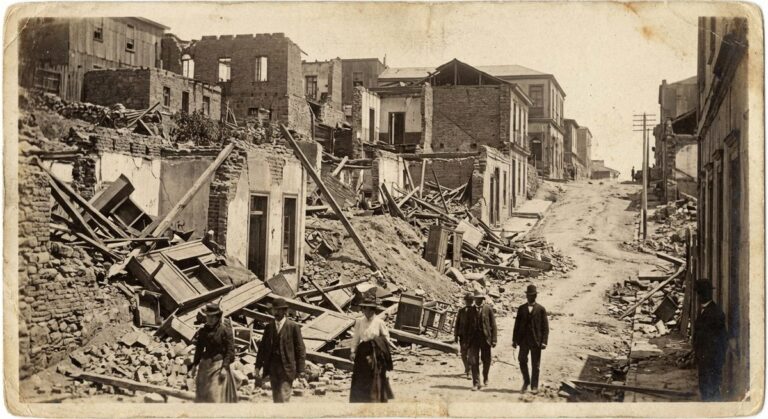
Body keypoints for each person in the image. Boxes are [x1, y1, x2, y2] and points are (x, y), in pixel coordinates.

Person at [255, 297, 306, 403]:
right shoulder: (269, 327)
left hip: (287, 368)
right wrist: (257, 366)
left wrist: (300, 370)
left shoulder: (293, 327)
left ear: (284, 311)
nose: (276, 312)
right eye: (274, 310)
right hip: (272, 368)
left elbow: (300, 349)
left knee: (284, 397)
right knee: (276, 398)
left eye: (279, 310)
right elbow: (262, 348)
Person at [349, 296, 394, 403]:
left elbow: (386, 338)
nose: (368, 312)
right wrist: (352, 351)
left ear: (374, 310)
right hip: (362, 352)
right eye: (365, 309)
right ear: (363, 309)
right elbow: (356, 337)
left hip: (376, 352)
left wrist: (378, 342)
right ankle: (360, 400)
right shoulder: (359, 322)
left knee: (375, 376)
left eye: (371, 309)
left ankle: (375, 400)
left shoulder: (379, 322)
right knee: (361, 376)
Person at [190, 302, 238, 403]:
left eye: (213, 317)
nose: (210, 319)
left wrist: (224, 367)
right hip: (204, 367)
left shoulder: (225, 331)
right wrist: (195, 365)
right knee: (201, 396)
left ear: (217, 318)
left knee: (214, 396)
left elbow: (230, 351)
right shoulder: (203, 331)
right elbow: (199, 349)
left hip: (218, 366)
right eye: (208, 316)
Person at [693, 279, 727, 401]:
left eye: (700, 293)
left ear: (702, 294)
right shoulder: (703, 310)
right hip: (704, 358)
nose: (699, 296)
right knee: (705, 388)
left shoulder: (716, 313)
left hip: (712, 359)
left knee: (711, 389)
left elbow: (721, 338)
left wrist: (718, 359)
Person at [512, 284, 549, 393]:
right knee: (521, 360)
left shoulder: (541, 309)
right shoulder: (521, 309)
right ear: (526, 296)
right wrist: (514, 340)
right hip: (523, 341)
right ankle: (526, 381)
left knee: (535, 365)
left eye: (532, 295)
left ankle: (534, 386)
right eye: (528, 295)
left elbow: (545, 327)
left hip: (536, 341)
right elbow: (516, 326)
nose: (530, 297)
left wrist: (544, 342)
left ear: (535, 296)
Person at [469, 291, 497, 390]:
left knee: (486, 360)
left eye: (481, 299)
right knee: (473, 361)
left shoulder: (488, 309)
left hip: (486, 339)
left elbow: (493, 325)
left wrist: (494, 339)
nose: (479, 301)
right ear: (474, 299)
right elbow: (466, 327)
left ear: (483, 299)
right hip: (473, 340)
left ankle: (485, 376)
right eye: (477, 299)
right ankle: (476, 383)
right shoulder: (470, 310)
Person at [454, 293, 477, 379]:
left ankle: (469, 371)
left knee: (470, 354)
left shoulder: (476, 311)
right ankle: (467, 368)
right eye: (467, 300)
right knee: (463, 354)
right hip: (462, 336)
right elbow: (457, 323)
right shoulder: (461, 311)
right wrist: (455, 335)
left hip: (472, 337)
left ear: (472, 301)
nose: (468, 302)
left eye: (470, 301)